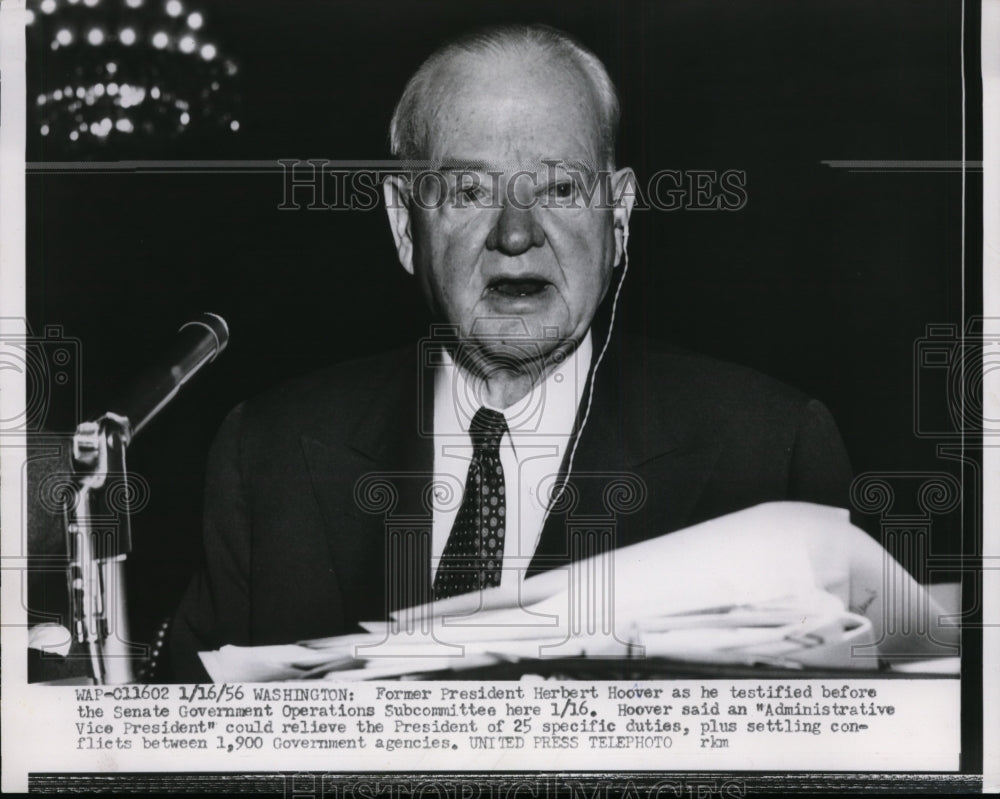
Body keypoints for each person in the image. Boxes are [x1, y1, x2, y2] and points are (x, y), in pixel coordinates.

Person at [169, 25, 852, 681]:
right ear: (405, 224)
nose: (517, 233)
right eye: (469, 191)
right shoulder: (267, 454)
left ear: (618, 218)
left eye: (559, 188)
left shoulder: (769, 450)